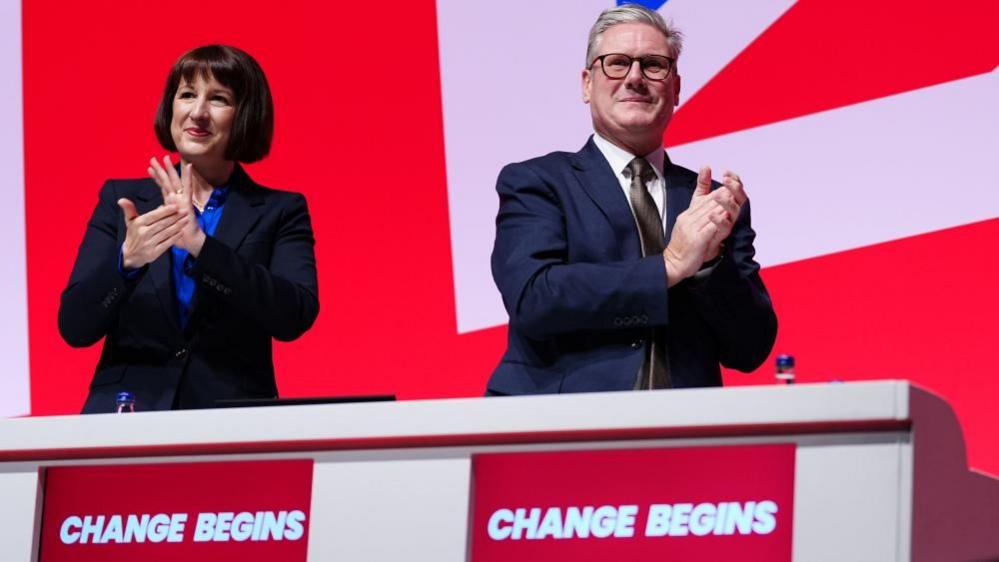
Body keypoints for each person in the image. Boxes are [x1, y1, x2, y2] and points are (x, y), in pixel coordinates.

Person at [487, 5, 776, 395]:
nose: (635, 77)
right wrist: (670, 265)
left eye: (654, 65)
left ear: (675, 88)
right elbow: (534, 299)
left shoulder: (709, 205)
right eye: (617, 63)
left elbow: (750, 349)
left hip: (686, 435)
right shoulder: (537, 182)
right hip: (562, 430)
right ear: (587, 84)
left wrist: (709, 264)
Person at [58, 45, 319, 412]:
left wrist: (202, 247)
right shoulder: (121, 201)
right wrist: (126, 263)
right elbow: (74, 326)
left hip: (232, 421)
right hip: (126, 416)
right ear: (171, 107)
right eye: (187, 95)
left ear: (246, 115)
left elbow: (293, 316)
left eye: (219, 99)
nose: (198, 113)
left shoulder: (281, 210)